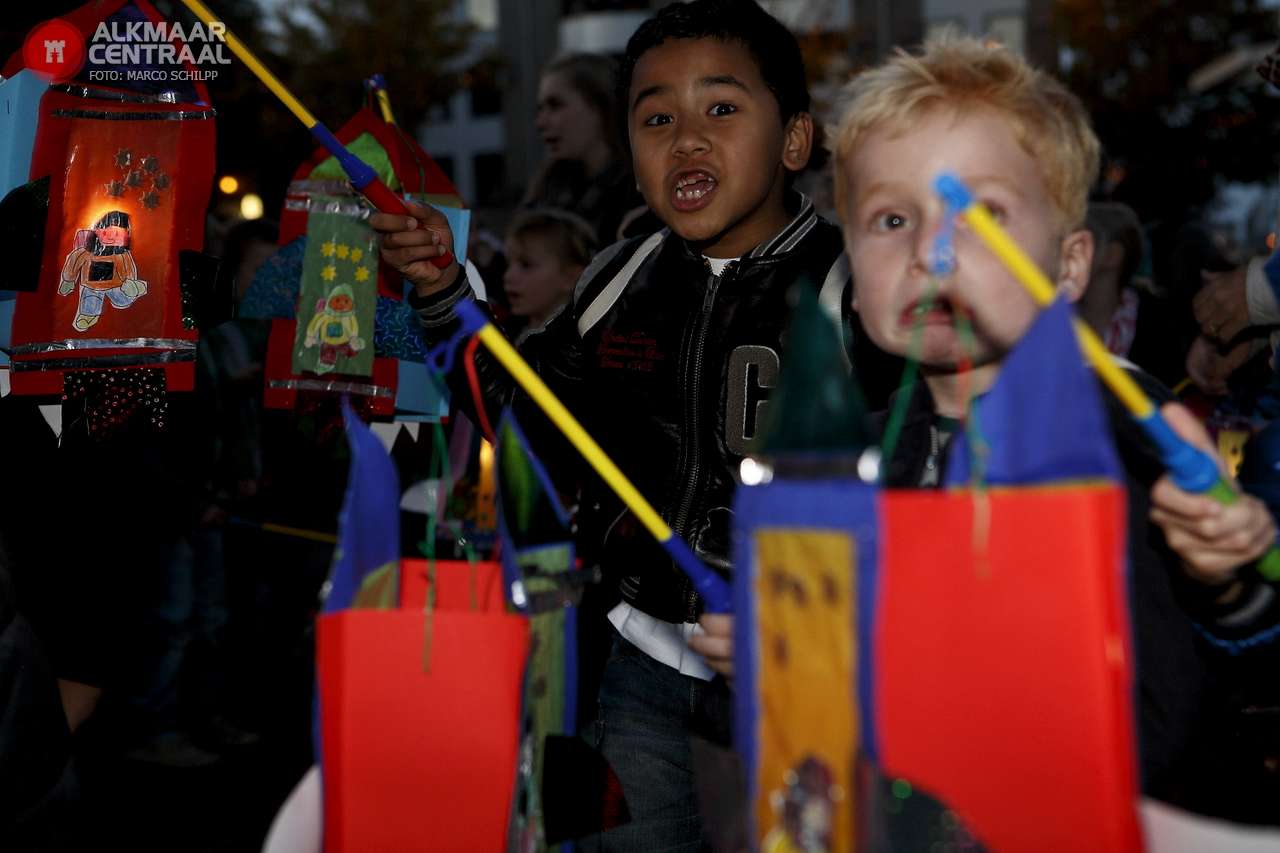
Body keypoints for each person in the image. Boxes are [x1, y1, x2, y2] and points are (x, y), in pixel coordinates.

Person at [374, 1, 849, 846]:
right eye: (657, 117)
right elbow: (525, 422)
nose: (688, 139)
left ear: (795, 141)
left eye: (723, 108)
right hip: (642, 667)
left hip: (811, 683)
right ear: (632, 158)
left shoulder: (858, 288)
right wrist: (447, 295)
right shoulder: (616, 277)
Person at [831, 34, 1280, 804]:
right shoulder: (855, 459)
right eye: (891, 220)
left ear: (1071, 265)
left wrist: (1228, 581)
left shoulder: (1135, 427)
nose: (932, 253)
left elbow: (1249, 651)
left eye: (981, 211)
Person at [525, 53, 648, 246]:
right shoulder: (547, 189)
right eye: (540, 109)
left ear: (600, 107)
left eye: (555, 105)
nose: (540, 122)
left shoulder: (645, 191)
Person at [502, 208, 597, 344]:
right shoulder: (506, 331)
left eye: (526, 265)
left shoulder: (577, 347)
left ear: (571, 277)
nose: (508, 276)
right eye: (507, 264)